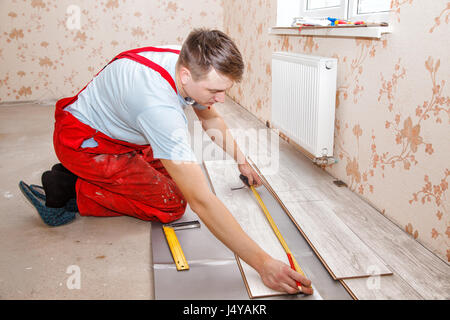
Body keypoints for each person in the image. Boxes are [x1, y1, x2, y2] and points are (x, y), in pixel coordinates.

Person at [19, 28, 312, 295]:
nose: (221, 99)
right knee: (172, 202)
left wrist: (242, 161)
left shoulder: (188, 58)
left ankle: (86, 177)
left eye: (225, 90)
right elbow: (202, 201)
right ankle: (68, 187)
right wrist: (263, 264)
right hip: (85, 144)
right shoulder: (159, 108)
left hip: (123, 135)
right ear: (186, 76)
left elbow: (209, 115)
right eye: (215, 91)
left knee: (180, 176)